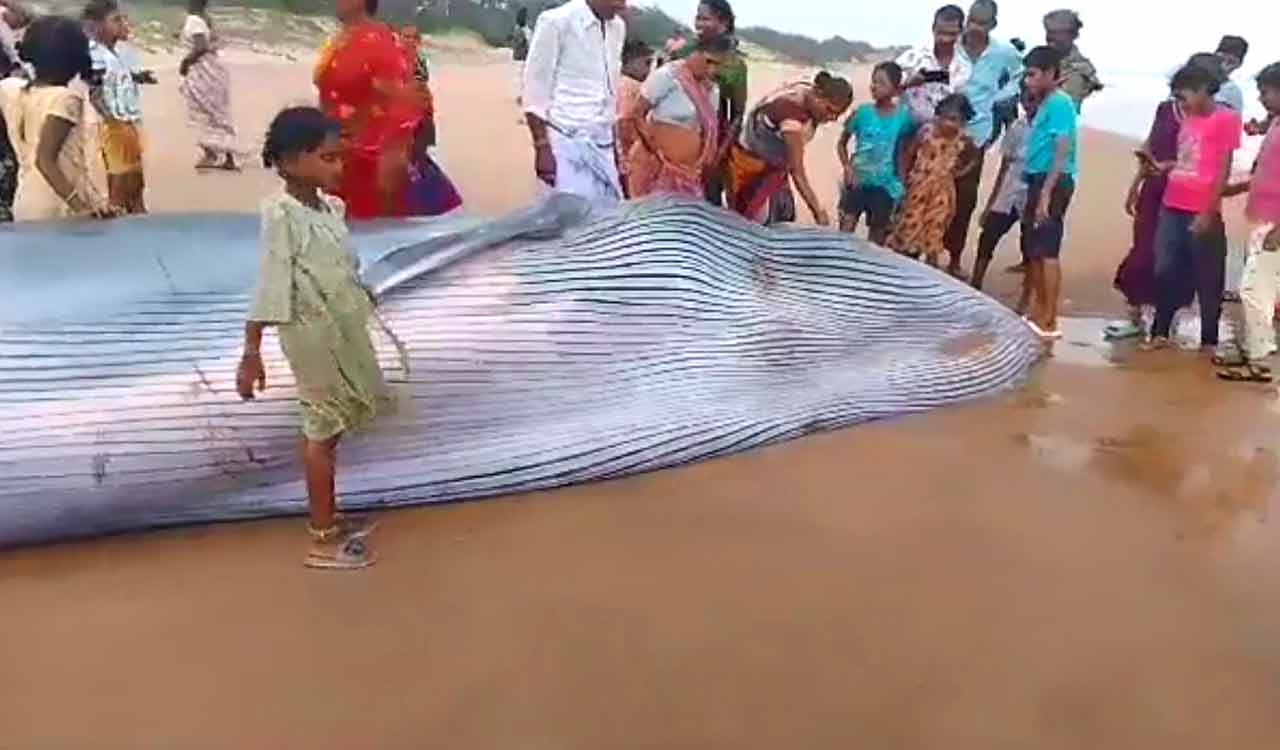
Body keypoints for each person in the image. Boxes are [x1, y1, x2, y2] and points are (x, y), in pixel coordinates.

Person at [238, 106, 389, 570]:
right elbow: (271, 282)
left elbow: (342, 265)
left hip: (342, 327)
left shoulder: (331, 208)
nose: (338, 167)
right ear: (289, 161)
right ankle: (321, 536)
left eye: (339, 157)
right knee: (320, 426)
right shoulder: (279, 214)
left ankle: (330, 513)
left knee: (335, 421)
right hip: (309, 333)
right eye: (327, 158)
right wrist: (252, 351)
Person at [1109, 54, 1223, 341]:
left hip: (1190, 195)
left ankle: (1167, 318)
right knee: (1143, 252)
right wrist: (1136, 183)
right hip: (1156, 188)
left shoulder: (1215, 119)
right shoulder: (1165, 110)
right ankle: (1135, 314)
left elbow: (1214, 164)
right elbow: (1150, 144)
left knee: (1177, 259)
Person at [316, 0, 461, 219]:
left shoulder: (379, 41)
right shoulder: (339, 41)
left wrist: (394, 153)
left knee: (374, 227)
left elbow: (404, 99)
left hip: (371, 160)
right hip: (338, 154)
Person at [1147, 63, 1241, 351]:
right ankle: (1160, 332)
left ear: (1202, 90)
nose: (1180, 103)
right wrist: (1165, 166)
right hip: (1172, 201)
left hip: (1200, 206)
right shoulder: (1188, 117)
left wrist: (1208, 211)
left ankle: (1209, 340)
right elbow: (1190, 158)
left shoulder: (1226, 119)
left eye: (1183, 95)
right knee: (1165, 269)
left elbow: (1222, 169)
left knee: (1208, 276)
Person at [0, 15, 112, 220]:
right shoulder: (65, 99)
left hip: (26, 200)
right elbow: (45, 160)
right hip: (57, 205)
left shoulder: (9, 89)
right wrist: (81, 208)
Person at [522, 0, 627, 204]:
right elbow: (534, 91)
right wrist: (542, 147)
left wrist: (615, 150)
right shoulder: (556, 22)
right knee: (571, 216)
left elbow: (610, 93)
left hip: (602, 144)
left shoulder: (618, 28)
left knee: (608, 216)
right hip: (564, 143)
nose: (623, 5)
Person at [945, 0, 1022, 279]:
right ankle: (925, 251)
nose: (975, 27)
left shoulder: (1004, 53)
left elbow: (1019, 76)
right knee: (931, 192)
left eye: (982, 23)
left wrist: (998, 98)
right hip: (942, 131)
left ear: (993, 25)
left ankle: (954, 259)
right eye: (972, 20)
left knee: (964, 200)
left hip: (975, 135)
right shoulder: (953, 47)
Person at [724, 71, 853, 225]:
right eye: (829, 110)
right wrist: (817, 211)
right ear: (818, 95)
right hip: (751, 169)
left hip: (769, 163)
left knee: (784, 212)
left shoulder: (805, 89)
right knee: (756, 221)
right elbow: (797, 170)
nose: (832, 118)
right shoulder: (791, 118)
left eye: (838, 115)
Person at [1219, 63, 1280, 383]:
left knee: (1254, 290)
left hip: (1274, 223)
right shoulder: (1276, 122)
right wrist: (1240, 186)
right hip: (1263, 216)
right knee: (1261, 288)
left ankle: (1260, 360)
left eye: (1266, 92)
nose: (1261, 98)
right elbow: (1266, 169)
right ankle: (1253, 348)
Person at [1020, 46, 1079, 340]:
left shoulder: (1059, 103)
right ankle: (1039, 309)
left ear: (1050, 74)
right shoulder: (1046, 103)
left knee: (1047, 250)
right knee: (1036, 248)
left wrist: (1046, 192)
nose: (1028, 81)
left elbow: (1062, 148)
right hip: (1038, 178)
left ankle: (1050, 318)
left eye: (1032, 75)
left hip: (1052, 180)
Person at [626, 35, 730, 199]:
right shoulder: (668, 76)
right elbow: (637, 113)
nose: (712, 70)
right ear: (695, 52)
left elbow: (707, 131)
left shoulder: (712, 90)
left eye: (718, 65)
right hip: (655, 168)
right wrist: (655, 152)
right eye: (709, 62)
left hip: (688, 174)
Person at [667, 0, 747, 205]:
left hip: (711, 146)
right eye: (698, 18)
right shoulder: (684, 52)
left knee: (705, 205)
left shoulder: (735, 66)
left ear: (724, 23)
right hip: (672, 137)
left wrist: (717, 157)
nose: (699, 24)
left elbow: (737, 115)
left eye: (705, 19)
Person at [887, 93, 977, 265]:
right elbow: (909, 154)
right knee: (910, 225)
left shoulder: (963, 139)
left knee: (934, 229)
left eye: (953, 119)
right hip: (918, 187)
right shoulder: (926, 132)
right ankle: (903, 265)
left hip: (942, 193)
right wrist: (903, 178)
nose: (946, 123)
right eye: (943, 117)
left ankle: (930, 268)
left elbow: (973, 158)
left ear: (963, 121)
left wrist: (957, 173)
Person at [84, 0, 154, 215]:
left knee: (134, 176)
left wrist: (138, 77)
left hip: (126, 119)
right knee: (121, 177)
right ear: (97, 26)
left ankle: (135, 210)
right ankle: (120, 213)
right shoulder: (96, 53)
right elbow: (95, 91)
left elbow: (115, 79)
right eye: (116, 20)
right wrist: (111, 120)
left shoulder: (116, 52)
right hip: (114, 122)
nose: (123, 24)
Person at [836, 61, 913, 244]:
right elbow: (841, 144)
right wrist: (847, 168)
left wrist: (902, 185)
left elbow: (903, 153)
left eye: (881, 83)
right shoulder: (861, 113)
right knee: (844, 233)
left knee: (876, 240)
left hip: (884, 186)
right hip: (856, 182)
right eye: (873, 81)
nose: (874, 86)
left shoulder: (903, 118)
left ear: (896, 89)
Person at [971, 85, 1035, 292]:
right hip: (1010, 188)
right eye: (1025, 100)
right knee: (988, 235)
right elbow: (1005, 165)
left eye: (1033, 100)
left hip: (1033, 192)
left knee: (1031, 244)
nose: (1028, 105)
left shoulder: (1049, 128)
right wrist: (991, 202)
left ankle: (1027, 294)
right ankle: (976, 283)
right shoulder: (1017, 127)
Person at [179, 0, 239, 171]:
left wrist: (185, 62)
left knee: (201, 113)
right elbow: (211, 42)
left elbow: (201, 46)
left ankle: (211, 154)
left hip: (202, 72)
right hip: (213, 70)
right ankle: (226, 155)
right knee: (217, 112)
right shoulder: (205, 19)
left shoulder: (194, 21)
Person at [897, 5, 969, 127]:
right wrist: (907, 83)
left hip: (944, 133)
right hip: (907, 131)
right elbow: (886, 88)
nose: (945, 39)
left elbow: (962, 108)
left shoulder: (965, 67)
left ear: (961, 32)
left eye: (951, 34)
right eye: (941, 33)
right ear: (933, 29)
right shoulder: (913, 58)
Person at [1043, 9, 1101, 111]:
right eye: (1049, 31)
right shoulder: (1039, 60)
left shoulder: (1080, 69)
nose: (1051, 37)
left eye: (1058, 32)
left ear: (1074, 35)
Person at [615, 39, 654, 193]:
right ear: (629, 62)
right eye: (646, 63)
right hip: (631, 156)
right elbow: (624, 121)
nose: (649, 69)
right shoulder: (631, 86)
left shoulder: (617, 83)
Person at [1215, 35, 1248, 113]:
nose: (1229, 57)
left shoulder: (1233, 91)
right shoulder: (1196, 77)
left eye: (1235, 55)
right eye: (1225, 52)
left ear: (1239, 64)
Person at [510, 7, 530, 107]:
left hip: (519, 56)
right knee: (522, 76)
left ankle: (521, 95)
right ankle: (521, 95)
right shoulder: (523, 30)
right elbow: (522, 42)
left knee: (520, 76)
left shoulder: (517, 29)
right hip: (523, 56)